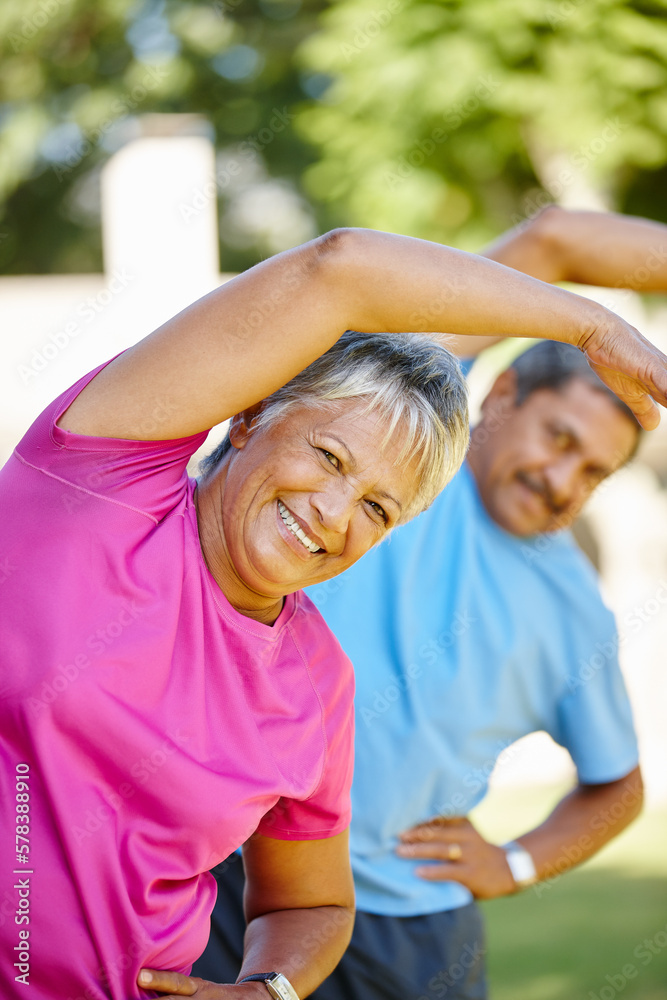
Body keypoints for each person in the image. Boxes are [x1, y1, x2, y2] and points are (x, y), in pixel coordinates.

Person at [192, 208, 667, 1000]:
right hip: (238, 877)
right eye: (558, 439)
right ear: (503, 392)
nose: (562, 480)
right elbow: (548, 239)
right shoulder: (396, 451)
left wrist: (512, 862)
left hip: (409, 938)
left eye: (592, 472)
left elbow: (617, 788)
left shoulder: (573, 613)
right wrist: (602, 328)